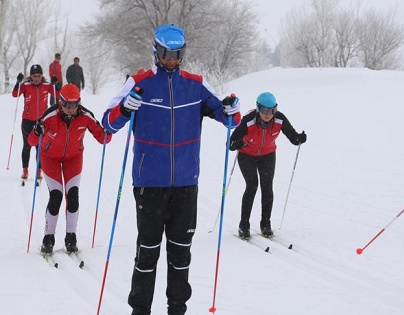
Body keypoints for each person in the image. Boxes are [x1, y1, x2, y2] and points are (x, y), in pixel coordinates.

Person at [101, 24, 241, 315]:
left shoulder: (195, 84)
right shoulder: (138, 83)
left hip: (185, 184)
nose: (172, 60)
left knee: (181, 252)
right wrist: (126, 109)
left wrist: (232, 109)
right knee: (148, 251)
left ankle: (177, 308)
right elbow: (108, 124)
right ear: (156, 51)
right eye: (166, 53)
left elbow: (230, 119)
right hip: (149, 183)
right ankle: (140, 309)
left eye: (177, 54)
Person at [28, 84, 111, 254]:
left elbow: (103, 138)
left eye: (74, 105)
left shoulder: (86, 116)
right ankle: (48, 238)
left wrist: (109, 127)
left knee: (72, 195)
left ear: (79, 103)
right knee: (56, 195)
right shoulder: (49, 116)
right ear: (60, 101)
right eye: (67, 105)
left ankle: (71, 237)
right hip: (49, 158)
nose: (70, 109)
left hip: (73, 158)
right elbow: (31, 141)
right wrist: (37, 132)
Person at [229, 92, 307, 239]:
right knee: (252, 186)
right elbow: (230, 143)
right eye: (264, 110)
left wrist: (299, 139)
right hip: (247, 155)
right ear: (258, 109)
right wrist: (236, 144)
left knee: (267, 187)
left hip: (267, 155)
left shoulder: (279, 119)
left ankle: (265, 223)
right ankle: (244, 225)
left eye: (272, 111)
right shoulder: (248, 121)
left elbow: (293, 137)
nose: (268, 115)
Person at [12, 64, 59, 183]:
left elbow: (58, 94)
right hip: (27, 121)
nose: (36, 78)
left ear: (42, 76)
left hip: (42, 121)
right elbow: (15, 94)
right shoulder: (26, 85)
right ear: (30, 76)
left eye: (38, 76)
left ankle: (39, 170)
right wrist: (18, 82)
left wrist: (55, 84)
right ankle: (25, 169)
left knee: (40, 147)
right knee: (27, 146)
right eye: (34, 76)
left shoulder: (47, 85)